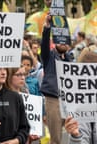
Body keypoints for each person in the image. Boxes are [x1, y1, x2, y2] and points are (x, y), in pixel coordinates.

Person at [40, 14, 73, 144]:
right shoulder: (49, 57)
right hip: (53, 100)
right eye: (59, 40)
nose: (62, 42)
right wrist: (47, 27)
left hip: (69, 102)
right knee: (56, 139)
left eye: (65, 40)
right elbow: (44, 43)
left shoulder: (70, 60)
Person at [0, 67, 30, 144]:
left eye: (5, 69)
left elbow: (24, 127)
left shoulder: (15, 97)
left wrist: (16, 141)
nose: (3, 73)